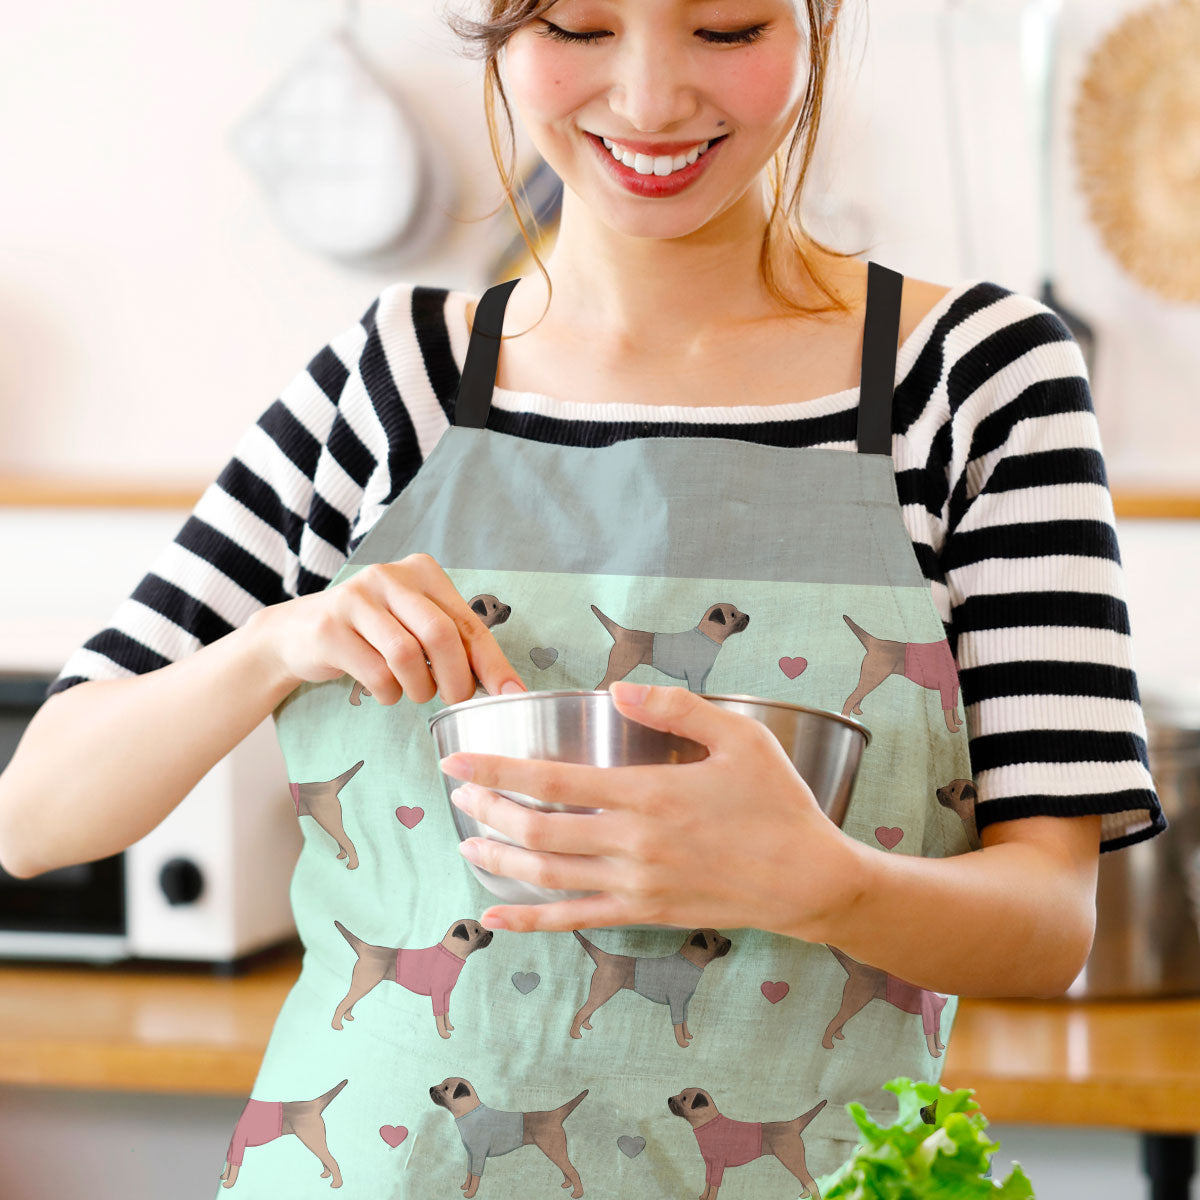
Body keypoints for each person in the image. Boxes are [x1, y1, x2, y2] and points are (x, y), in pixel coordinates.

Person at [0, 0, 1167, 1196]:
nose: (651, 101)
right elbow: (34, 815)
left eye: (728, 28)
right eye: (577, 26)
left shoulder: (975, 381)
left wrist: (826, 884)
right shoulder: (397, 380)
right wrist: (276, 641)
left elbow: (1047, 925)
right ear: (500, 32)